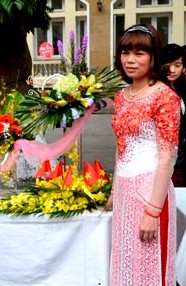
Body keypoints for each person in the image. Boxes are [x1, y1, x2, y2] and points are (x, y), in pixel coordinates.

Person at [107, 23, 180, 285]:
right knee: (126, 266)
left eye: (140, 53)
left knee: (148, 270)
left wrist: (152, 211)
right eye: (126, 52)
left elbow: (167, 158)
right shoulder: (121, 95)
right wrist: (115, 191)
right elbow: (121, 146)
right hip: (125, 192)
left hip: (151, 192)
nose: (130, 60)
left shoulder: (164, 97)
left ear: (153, 56)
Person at [161, 43, 186, 187]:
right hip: (165, 158)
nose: (172, 70)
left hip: (182, 156)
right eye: (168, 64)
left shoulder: (181, 87)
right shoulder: (157, 89)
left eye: (178, 65)